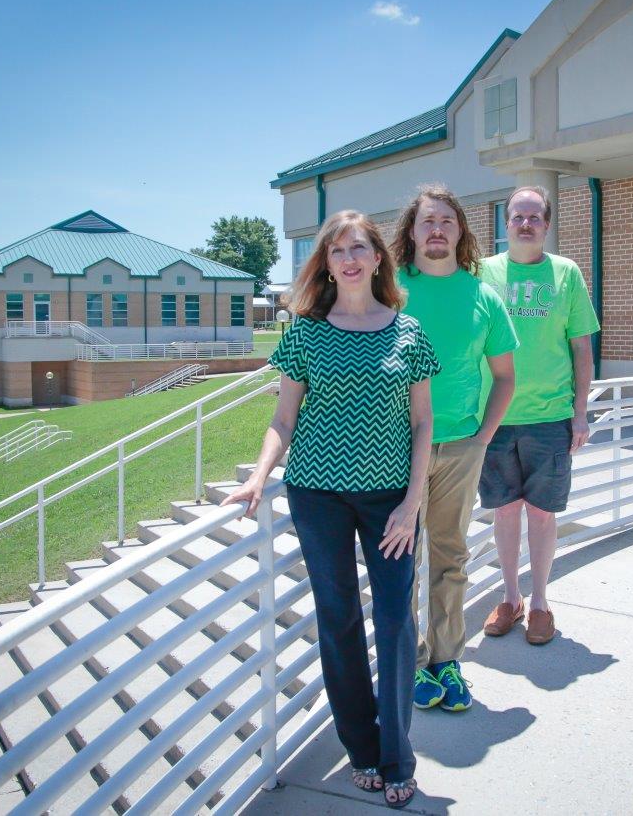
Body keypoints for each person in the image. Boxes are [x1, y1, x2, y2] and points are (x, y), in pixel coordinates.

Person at [221, 210, 439, 809]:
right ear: (327, 261)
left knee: (395, 621)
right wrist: (261, 474)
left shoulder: (410, 333)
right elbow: (283, 419)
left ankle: (398, 756)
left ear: (377, 258)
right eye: (337, 250)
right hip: (317, 495)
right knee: (338, 619)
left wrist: (413, 500)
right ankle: (361, 750)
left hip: (391, 500)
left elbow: (424, 424)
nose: (348, 259)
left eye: (359, 248)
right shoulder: (304, 332)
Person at [392, 184, 518, 712]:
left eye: (447, 220)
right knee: (403, 560)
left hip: (462, 449)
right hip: (394, 450)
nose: (437, 229)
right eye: (428, 221)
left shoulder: (483, 296)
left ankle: (447, 660)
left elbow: (505, 377)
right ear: (412, 231)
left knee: (451, 557)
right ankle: (413, 664)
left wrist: (483, 438)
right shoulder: (389, 289)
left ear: (460, 230)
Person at [479, 186, 600, 645]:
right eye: (516, 216)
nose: (525, 224)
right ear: (505, 223)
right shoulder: (482, 271)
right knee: (505, 512)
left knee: (544, 515)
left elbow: (581, 347)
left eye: (534, 217)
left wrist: (581, 413)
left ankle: (541, 602)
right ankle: (510, 598)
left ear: (546, 225)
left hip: (550, 416)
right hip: (493, 416)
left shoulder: (566, 274)